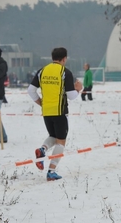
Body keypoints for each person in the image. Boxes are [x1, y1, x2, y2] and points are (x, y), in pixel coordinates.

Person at [27, 47, 82, 181]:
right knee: (61, 141)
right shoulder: (65, 72)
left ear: (52, 58)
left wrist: (41, 103)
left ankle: (42, 150)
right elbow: (71, 96)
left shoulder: (42, 71)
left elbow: (30, 90)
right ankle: (51, 171)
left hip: (46, 111)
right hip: (60, 111)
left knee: (53, 136)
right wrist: (78, 89)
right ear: (64, 59)